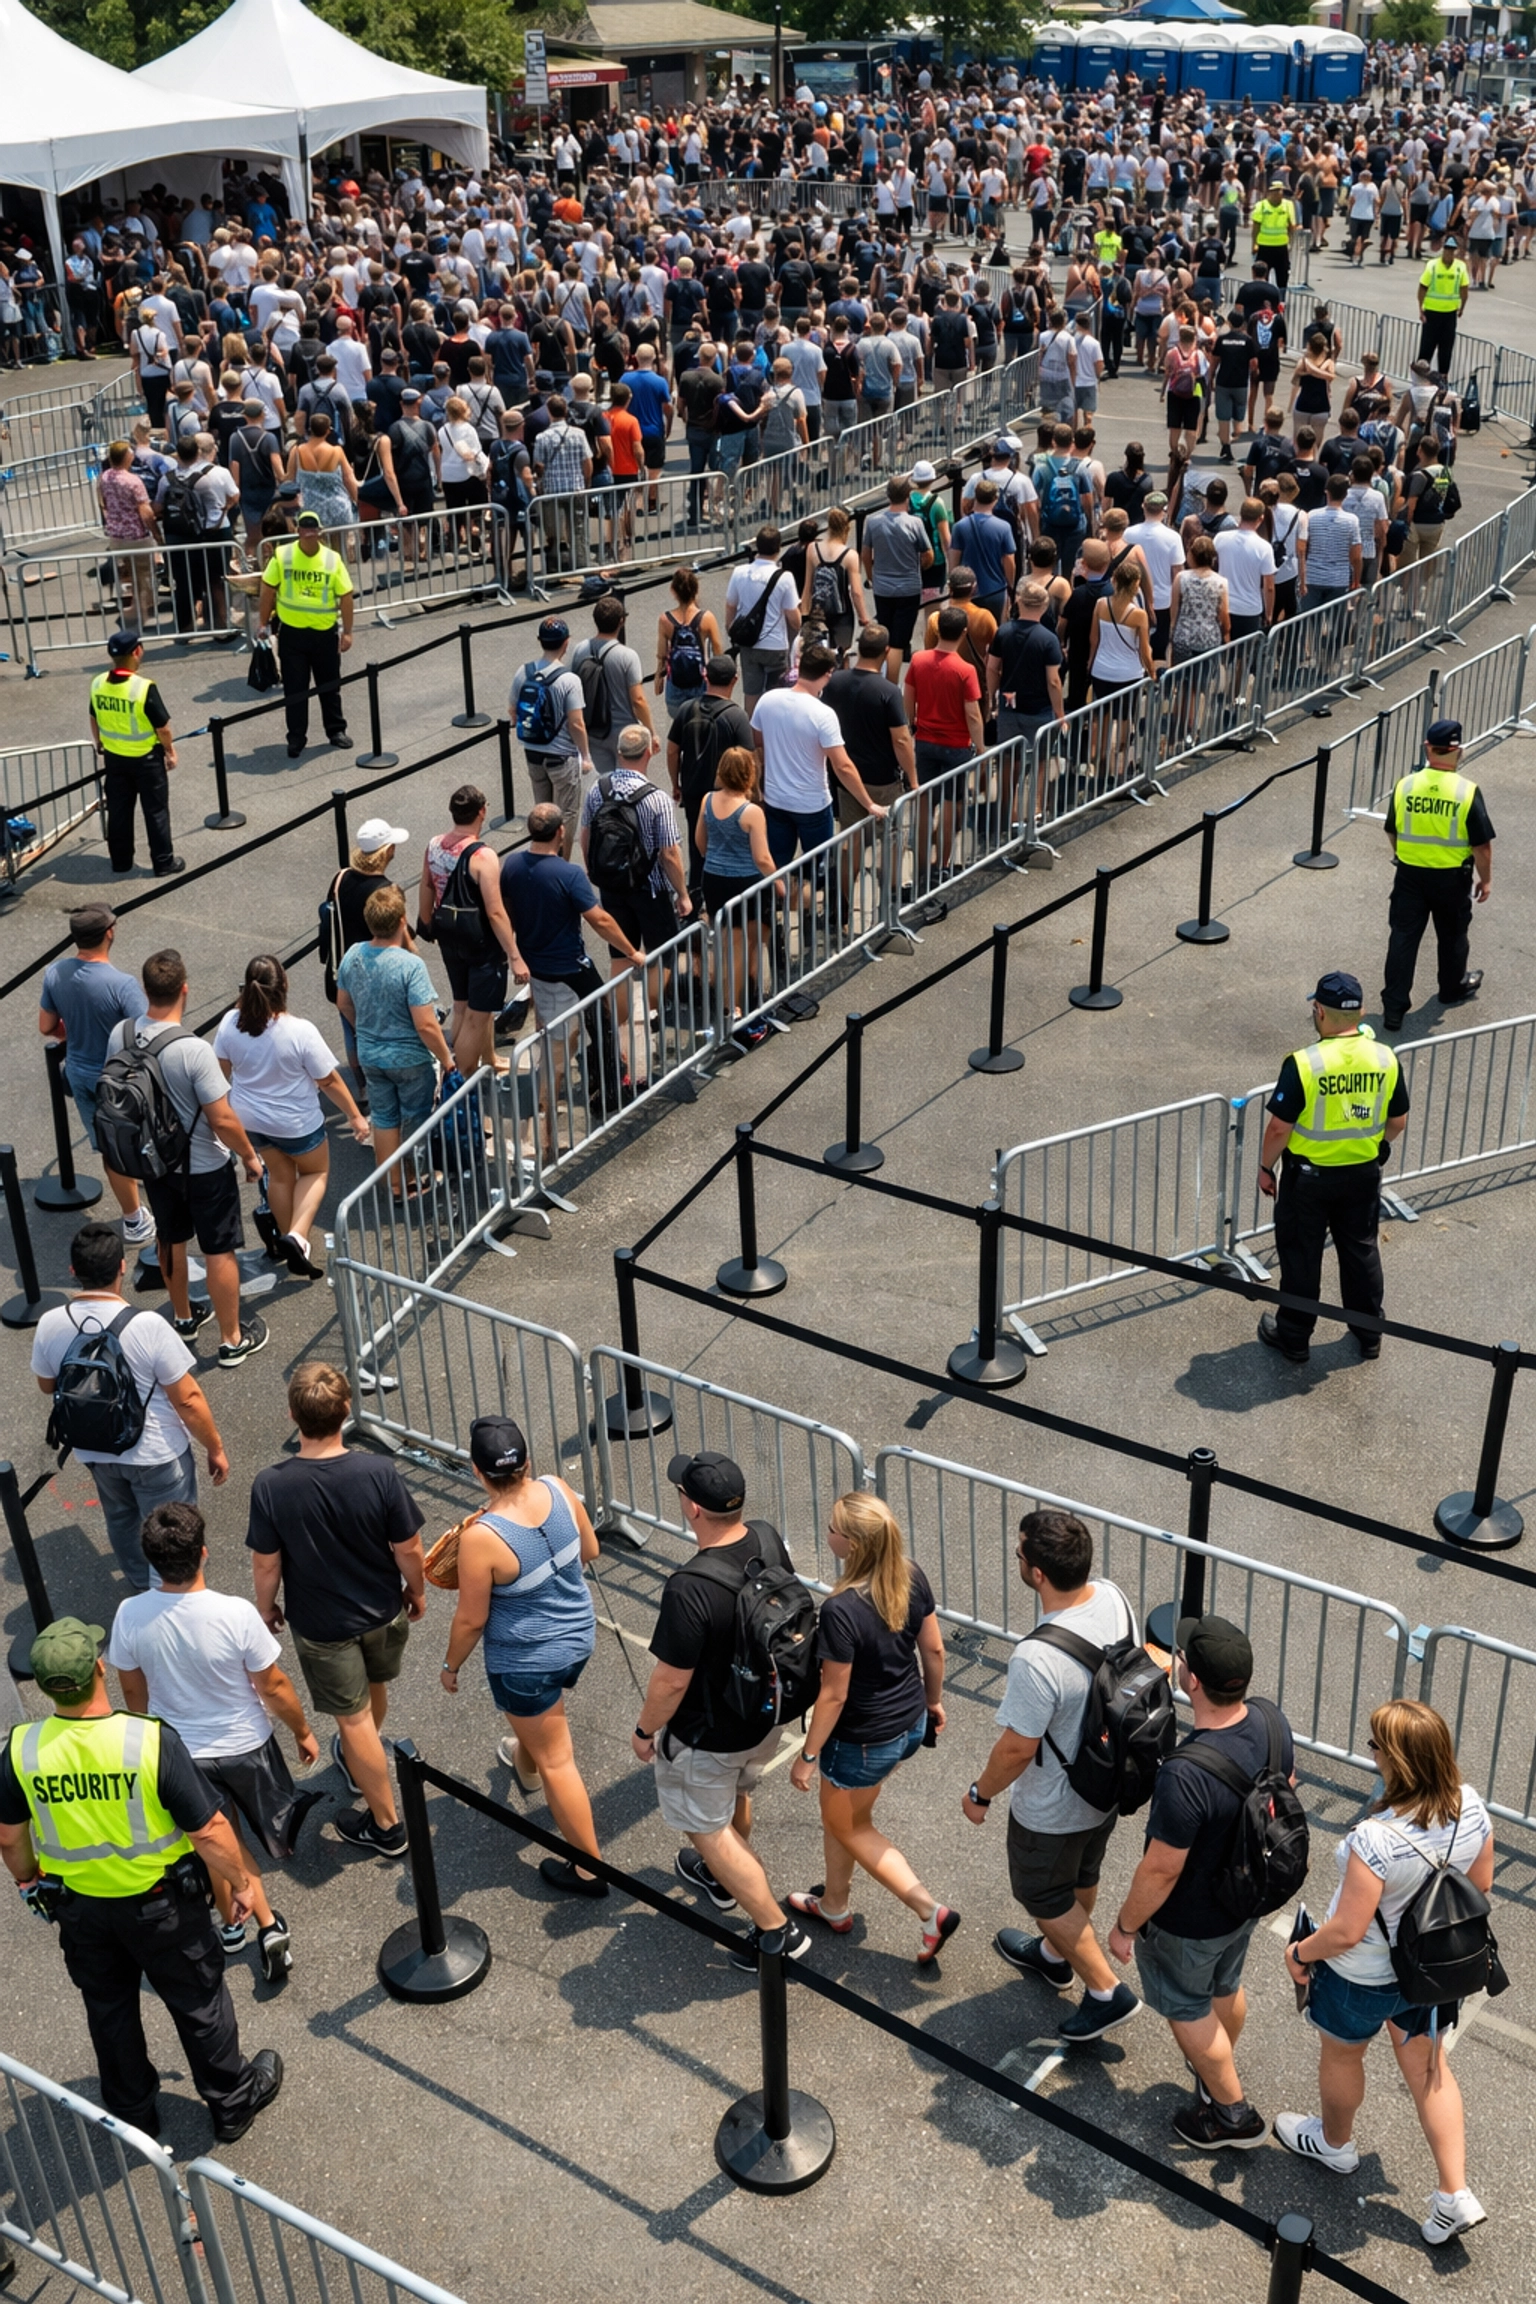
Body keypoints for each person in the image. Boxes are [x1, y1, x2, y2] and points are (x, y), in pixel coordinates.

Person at [0, 1616, 284, 2144]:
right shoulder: (147, 1740)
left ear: (44, 1687)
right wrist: (242, 1884)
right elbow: (209, 1830)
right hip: (162, 1907)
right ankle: (231, 2104)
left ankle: (133, 2115)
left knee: (109, 2009)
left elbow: (10, 1839)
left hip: (80, 1909)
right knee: (198, 2003)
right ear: (99, 1669)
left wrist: (27, 1883)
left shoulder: (22, 1750)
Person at [1277, 1699, 1494, 2246]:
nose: (1371, 1751)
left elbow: (1347, 1931)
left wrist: (1300, 1953)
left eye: (1376, 1745)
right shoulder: (1471, 1806)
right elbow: (1482, 1886)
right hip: (1430, 1973)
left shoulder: (1376, 1839)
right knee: (1429, 2068)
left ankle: (1335, 2144)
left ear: (1396, 1759)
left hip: (1360, 1976)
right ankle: (1454, 2193)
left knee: (1343, 2055)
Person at [1107, 1616, 1297, 2152]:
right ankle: (1215, 2065)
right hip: (1244, 1902)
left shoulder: (1185, 1773)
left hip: (1191, 1921)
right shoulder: (1271, 1720)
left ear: (1190, 1679)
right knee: (1224, 1987)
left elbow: (1161, 1869)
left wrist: (1125, 1927)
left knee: (1188, 2007)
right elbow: (1284, 1787)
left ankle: (1232, 2114)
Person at [107, 1502, 321, 1975]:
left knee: (214, 1838)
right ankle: (268, 1925)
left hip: (181, 1753)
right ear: (203, 1552)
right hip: (247, 1745)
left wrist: (146, 1740)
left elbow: (133, 1690)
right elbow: (273, 1686)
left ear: (151, 1560)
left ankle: (232, 1924)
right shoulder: (235, 1613)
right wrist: (302, 1731)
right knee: (251, 1831)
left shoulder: (130, 1615)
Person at [964, 1508, 1144, 2043]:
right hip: (1106, 1785)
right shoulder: (1112, 1596)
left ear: (1037, 1573)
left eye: (1019, 1553)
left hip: (1053, 1806)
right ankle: (1053, 1954)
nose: (1017, 1559)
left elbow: (1017, 1748)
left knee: (1043, 1894)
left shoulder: (1037, 1657)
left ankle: (1106, 1992)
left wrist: (980, 1793)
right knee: (1081, 1875)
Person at [632, 1451, 812, 1970]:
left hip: (709, 1733)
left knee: (707, 1829)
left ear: (692, 1508)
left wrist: (645, 1730)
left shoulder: (690, 1587)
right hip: (765, 1717)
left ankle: (777, 1932)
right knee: (736, 1793)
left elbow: (671, 1681)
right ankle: (720, 1877)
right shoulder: (766, 1537)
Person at [247, 1362, 426, 1859]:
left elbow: (266, 1562)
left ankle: (388, 1826)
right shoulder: (378, 1472)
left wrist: (266, 1607)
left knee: (353, 1719)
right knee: (373, 1692)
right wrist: (416, 1590)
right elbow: (409, 1547)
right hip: (382, 1611)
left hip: (323, 1626)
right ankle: (359, 1760)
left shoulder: (271, 1485)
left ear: (292, 1414)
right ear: (347, 1410)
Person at [439, 1416, 606, 1898]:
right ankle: (523, 1765)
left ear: (477, 1470)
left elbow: (471, 1620)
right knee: (539, 1728)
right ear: (527, 1461)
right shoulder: (558, 1488)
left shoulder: (482, 1537)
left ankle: (591, 1871)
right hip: (578, 1638)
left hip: (527, 1663)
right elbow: (590, 1549)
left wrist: (450, 1667)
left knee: (559, 1762)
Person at [787, 1493, 957, 1963]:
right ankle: (834, 1904)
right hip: (908, 1725)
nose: (827, 1533)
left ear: (854, 1545)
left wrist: (807, 1756)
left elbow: (834, 1694)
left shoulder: (841, 1609)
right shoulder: (910, 1574)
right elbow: (934, 1650)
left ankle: (929, 1912)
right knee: (844, 1820)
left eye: (833, 1528)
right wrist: (934, 1701)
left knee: (853, 1826)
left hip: (861, 1742)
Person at [30, 1223, 229, 1592]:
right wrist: (214, 1447)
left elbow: (47, 1385)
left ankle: (141, 1586)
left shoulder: (50, 1324)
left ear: (73, 1271)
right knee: (171, 1532)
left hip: (96, 1449)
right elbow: (188, 1398)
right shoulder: (148, 1325)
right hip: (156, 1453)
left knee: (121, 1519)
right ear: (122, 1267)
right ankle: (167, 1597)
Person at [100, 948, 266, 1367]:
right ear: (185, 990)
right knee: (218, 1249)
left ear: (145, 990)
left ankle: (184, 1318)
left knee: (170, 1238)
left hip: (154, 1162)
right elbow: (222, 1119)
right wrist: (250, 1156)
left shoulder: (120, 1034)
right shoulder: (193, 1050)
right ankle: (231, 1340)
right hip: (204, 1166)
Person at [1255, 970, 1410, 1367]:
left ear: (1320, 1011)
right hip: (1363, 1174)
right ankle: (1369, 1332)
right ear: (1361, 1012)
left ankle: (1294, 1338)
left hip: (1309, 1179)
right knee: (1361, 1251)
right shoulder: (1385, 1058)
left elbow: (1279, 1128)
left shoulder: (1305, 1064)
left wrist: (1265, 1167)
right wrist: (1378, 1147)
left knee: (1301, 1256)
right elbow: (1398, 1121)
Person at [213, 955, 369, 1278]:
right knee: (315, 1173)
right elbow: (328, 1081)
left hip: (251, 1122)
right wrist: (354, 1115)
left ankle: (291, 1238)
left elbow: (221, 1074)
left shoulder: (230, 1023)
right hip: (296, 1124)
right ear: (284, 984)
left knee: (280, 1176)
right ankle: (297, 1237)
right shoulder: (300, 1031)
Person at [39, 905, 152, 1242]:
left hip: (79, 1073)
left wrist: (72, 1031)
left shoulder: (55, 973)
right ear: (109, 932)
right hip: (120, 1081)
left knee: (109, 1148)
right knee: (134, 1144)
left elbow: (47, 1026)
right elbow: (146, 1035)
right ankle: (135, 1221)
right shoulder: (122, 985)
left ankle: (133, 1214)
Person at [335, 885, 455, 1187]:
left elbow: (343, 1002)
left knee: (384, 1118)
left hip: (371, 1054)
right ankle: (415, 1178)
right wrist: (446, 1058)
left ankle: (394, 1184)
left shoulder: (353, 955)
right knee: (415, 1116)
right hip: (410, 1058)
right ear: (402, 920)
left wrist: (364, 1027)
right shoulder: (410, 966)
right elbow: (426, 1025)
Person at [1380, 719, 1493, 1032]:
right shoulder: (1466, 791)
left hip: (1409, 876)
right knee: (1453, 935)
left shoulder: (1405, 785)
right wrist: (1486, 880)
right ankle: (1451, 988)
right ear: (1458, 751)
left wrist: (1403, 855)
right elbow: (1481, 846)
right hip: (1451, 879)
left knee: (1403, 938)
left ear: (1427, 748)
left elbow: (1391, 830)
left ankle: (1393, 1009)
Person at [416, 784, 527, 1073]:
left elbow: (427, 885)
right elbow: (495, 911)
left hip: (449, 936)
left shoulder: (434, 845)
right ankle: (463, 1077)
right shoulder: (482, 856)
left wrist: (426, 922)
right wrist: (514, 955)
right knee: (477, 1016)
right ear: (482, 811)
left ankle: (488, 1058)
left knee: (463, 1005)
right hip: (480, 943)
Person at [751, 638, 890, 868]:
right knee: (818, 869)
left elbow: (758, 741)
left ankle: (779, 893)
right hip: (812, 805)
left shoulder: (767, 700)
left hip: (776, 800)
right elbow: (842, 766)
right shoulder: (823, 714)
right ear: (828, 674)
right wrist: (869, 803)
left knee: (777, 866)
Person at [321, 817, 409, 1109]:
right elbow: (401, 937)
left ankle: (363, 1088)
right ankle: (387, 1081)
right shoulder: (386, 891)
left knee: (353, 1031)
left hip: (340, 970)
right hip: (375, 975)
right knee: (385, 1031)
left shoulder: (340, 878)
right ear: (386, 851)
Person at [256, 507, 354, 760]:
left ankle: (336, 730)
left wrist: (348, 632)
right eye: (305, 527)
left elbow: (346, 595)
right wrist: (263, 623)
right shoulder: (283, 555)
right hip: (293, 635)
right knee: (295, 690)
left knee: (330, 687)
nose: (309, 532)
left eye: (313, 528)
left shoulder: (332, 559)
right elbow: (267, 589)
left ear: (320, 531)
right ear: (298, 530)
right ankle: (296, 738)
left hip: (324, 634)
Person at [89, 630, 185, 878]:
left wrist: (99, 742)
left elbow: (93, 716)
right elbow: (162, 728)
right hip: (146, 760)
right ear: (137, 651)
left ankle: (121, 862)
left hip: (114, 758)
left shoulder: (98, 683)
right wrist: (170, 752)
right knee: (155, 811)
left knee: (119, 811)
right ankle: (163, 863)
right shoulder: (143, 688)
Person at [668, 655, 754, 904]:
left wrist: (676, 784)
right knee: (729, 845)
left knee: (698, 847)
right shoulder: (736, 716)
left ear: (705, 676)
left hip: (694, 791)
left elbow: (672, 750)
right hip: (728, 795)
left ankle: (696, 895)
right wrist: (751, 792)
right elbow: (747, 758)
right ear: (734, 680)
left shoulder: (687, 709)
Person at [511, 616, 592, 859]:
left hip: (533, 754)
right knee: (566, 814)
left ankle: (541, 859)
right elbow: (576, 723)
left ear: (540, 641)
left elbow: (513, 712)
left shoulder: (523, 672)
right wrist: (585, 756)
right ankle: (560, 863)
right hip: (562, 758)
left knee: (541, 813)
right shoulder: (569, 680)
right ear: (566, 643)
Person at [825, 623, 918, 827]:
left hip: (846, 777)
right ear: (886, 651)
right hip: (882, 779)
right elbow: (901, 740)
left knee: (852, 834)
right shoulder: (889, 692)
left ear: (859, 649)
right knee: (890, 835)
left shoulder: (833, 682)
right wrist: (913, 780)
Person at [573, 595, 656, 779]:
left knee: (604, 785)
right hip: (625, 735)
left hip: (594, 730)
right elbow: (638, 700)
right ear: (621, 621)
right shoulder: (627, 656)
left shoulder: (580, 650)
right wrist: (651, 732)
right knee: (629, 783)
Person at [861, 480, 933, 685]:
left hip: (882, 589)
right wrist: (921, 567)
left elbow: (865, 553)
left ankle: (878, 679)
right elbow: (928, 554)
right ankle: (891, 686)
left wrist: (872, 577)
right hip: (908, 589)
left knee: (884, 635)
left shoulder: (873, 522)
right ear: (907, 496)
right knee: (898, 643)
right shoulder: (915, 523)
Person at [725, 526, 802, 702]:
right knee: (776, 695)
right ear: (778, 548)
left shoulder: (739, 572)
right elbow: (794, 619)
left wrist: (732, 630)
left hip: (748, 643)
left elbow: (730, 606)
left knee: (751, 693)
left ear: (757, 546)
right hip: (775, 645)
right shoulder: (785, 577)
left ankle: (752, 721)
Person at [655, 567, 724, 717]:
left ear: (673, 591)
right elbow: (718, 651)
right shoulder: (707, 617)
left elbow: (662, 654)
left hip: (675, 684)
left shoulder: (665, 620)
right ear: (696, 590)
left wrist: (658, 677)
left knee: (679, 725)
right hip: (700, 682)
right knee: (702, 724)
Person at [1417, 238, 1470, 371]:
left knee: (1446, 350)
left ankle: (1443, 378)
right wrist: (1420, 308)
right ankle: (1420, 377)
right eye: (1447, 249)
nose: (1449, 253)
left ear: (1455, 251)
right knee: (1426, 349)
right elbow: (1422, 287)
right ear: (1443, 249)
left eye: (1452, 250)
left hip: (1449, 313)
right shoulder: (1432, 265)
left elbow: (1464, 289)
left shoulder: (1460, 266)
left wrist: (1462, 307)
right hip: (1431, 312)